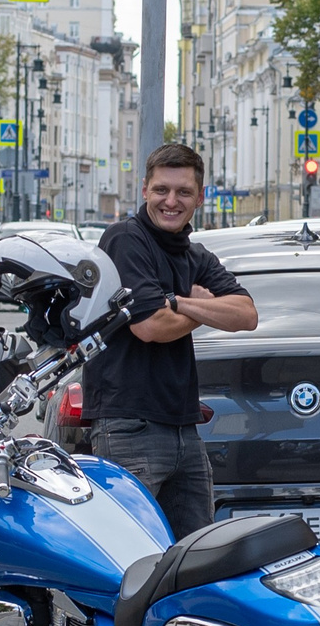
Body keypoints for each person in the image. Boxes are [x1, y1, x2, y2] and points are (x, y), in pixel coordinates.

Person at [80, 140, 257, 536]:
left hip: (183, 428)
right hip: (129, 427)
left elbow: (246, 315)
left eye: (183, 192)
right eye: (161, 190)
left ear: (200, 197)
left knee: (195, 558)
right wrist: (196, 304)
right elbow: (150, 327)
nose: (170, 201)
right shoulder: (125, 239)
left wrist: (177, 303)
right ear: (144, 190)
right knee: (133, 554)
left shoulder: (196, 255)